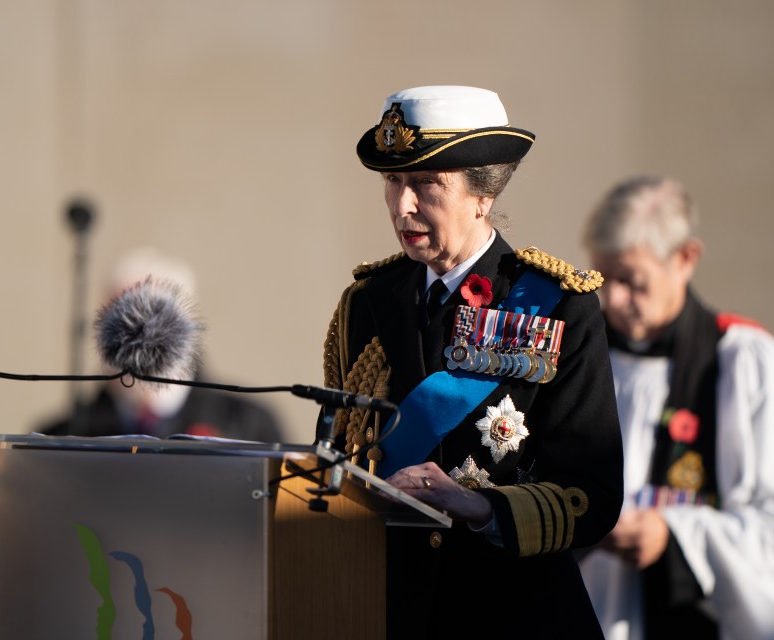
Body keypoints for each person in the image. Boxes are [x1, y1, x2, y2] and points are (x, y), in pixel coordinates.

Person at [319, 85, 624, 637]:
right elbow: (343, 455)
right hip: (387, 609)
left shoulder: (560, 308)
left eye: (426, 183)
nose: (402, 205)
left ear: (483, 195)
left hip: (509, 611)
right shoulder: (365, 304)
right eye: (393, 181)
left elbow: (591, 495)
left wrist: (478, 507)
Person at [577, 176, 774, 639]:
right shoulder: (580, 355)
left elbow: (768, 527)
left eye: (632, 281)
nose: (614, 300)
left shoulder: (743, 361)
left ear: (685, 259)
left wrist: (673, 535)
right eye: (605, 280)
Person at [40, 247, 284, 442]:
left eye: (153, 315)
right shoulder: (62, 436)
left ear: (185, 325)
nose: (136, 331)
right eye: (119, 316)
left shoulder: (249, 425)